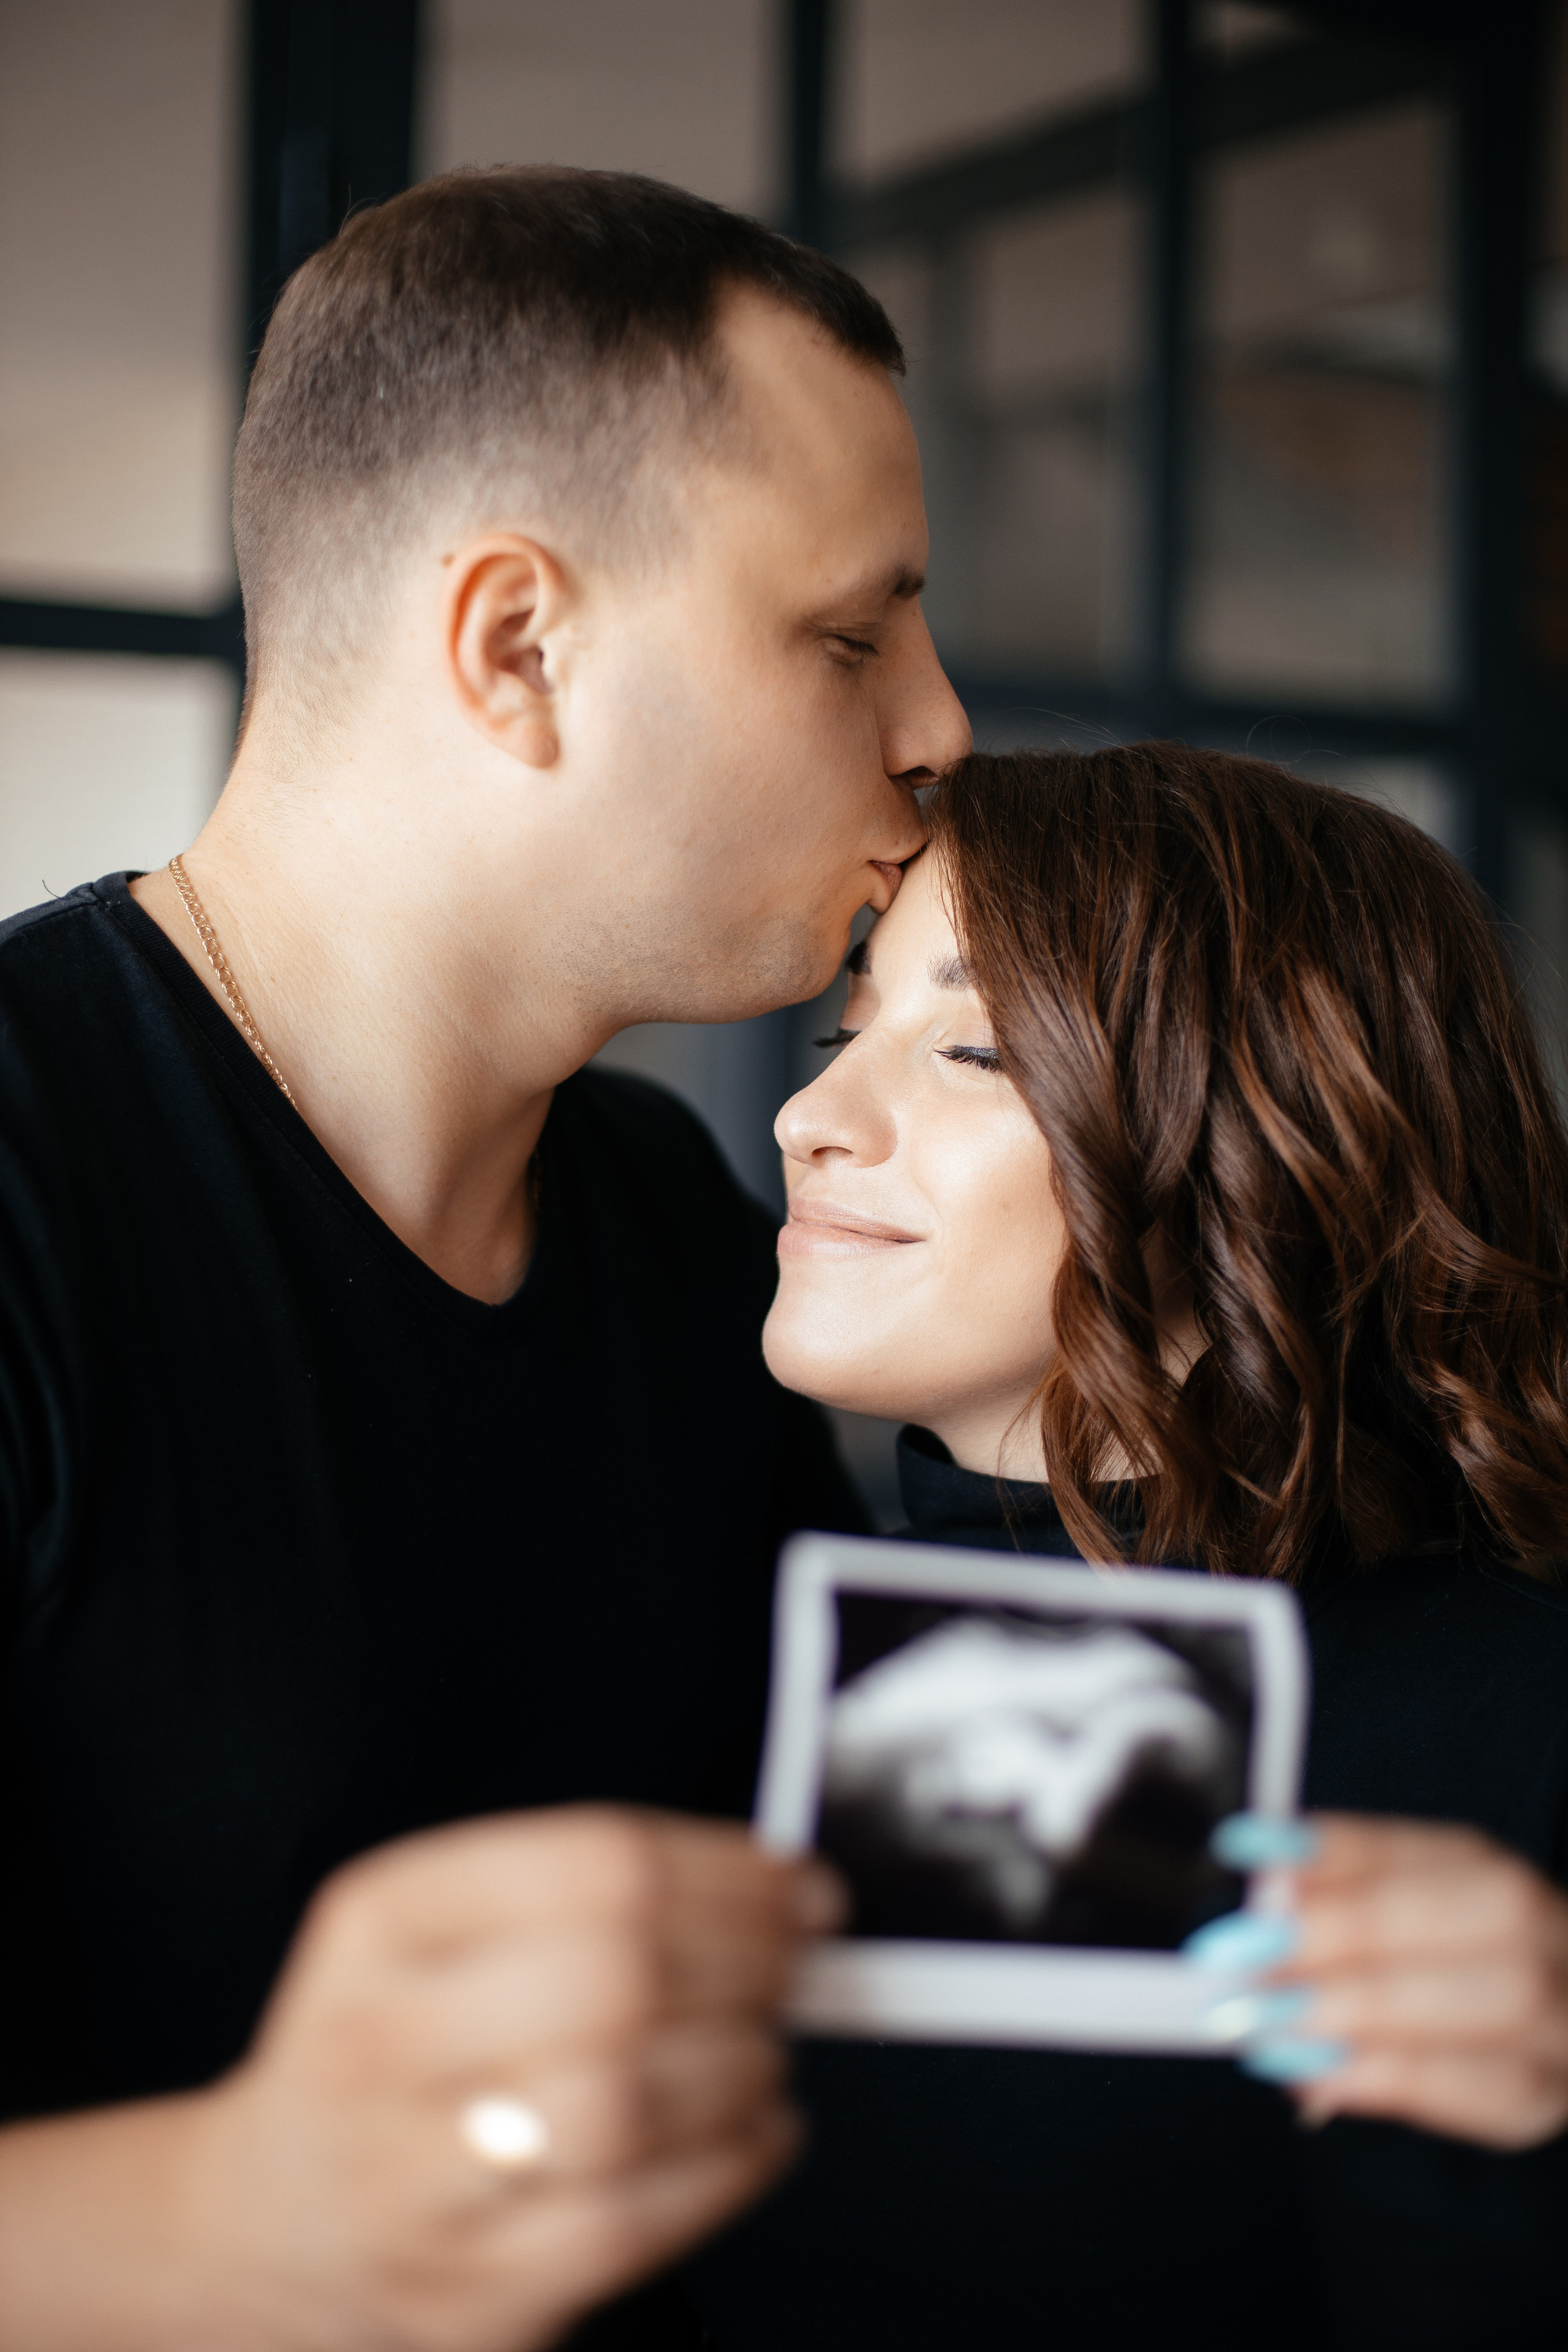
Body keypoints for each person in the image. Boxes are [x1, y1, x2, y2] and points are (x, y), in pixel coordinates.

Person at [0, 168, 970, 2350]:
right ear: (517, 648)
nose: (940, 728)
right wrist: (226, 2213)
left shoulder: (678, 1226)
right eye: (849, 634)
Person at [690, 744, 1568, 2351]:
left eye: (966, 1046)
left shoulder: (1522, 1728)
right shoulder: (707, 1643)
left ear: (1266, 1139)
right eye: (847, 1026)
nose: (813, 1115)